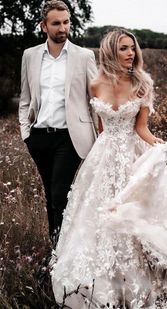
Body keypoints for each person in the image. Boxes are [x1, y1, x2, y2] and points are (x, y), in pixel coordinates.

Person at [50, 29, 167, 308]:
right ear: (111, 51)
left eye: (133, 48)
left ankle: (145, 270)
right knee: (98, 215)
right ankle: (105, 276)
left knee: (135, 214)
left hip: (130, 152)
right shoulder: (95, 83)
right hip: (102, 157)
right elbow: (101, 126)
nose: (131, 54)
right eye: (124, 48)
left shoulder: (142, 84)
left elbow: (142, 128)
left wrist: (156, 144)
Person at [18, 0, 97, 242]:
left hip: (70, 137)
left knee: (60, 194)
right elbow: (25, 98)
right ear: (44, 26)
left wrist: (100, 137)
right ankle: (57, 246)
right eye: (56, 23)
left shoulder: (84, 56)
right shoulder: (30, 56)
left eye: (66, 22)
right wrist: (26, 133)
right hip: (39, 137)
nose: (62, 28)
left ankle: (60, 252)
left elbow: (94, 99)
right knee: (50, 196)